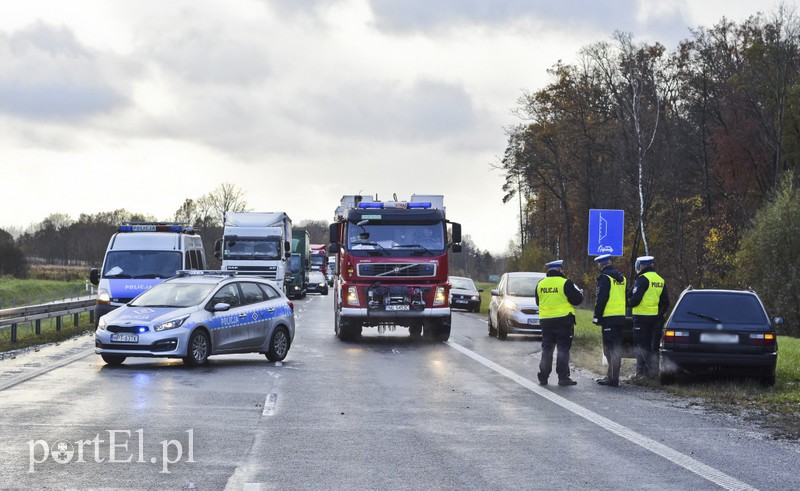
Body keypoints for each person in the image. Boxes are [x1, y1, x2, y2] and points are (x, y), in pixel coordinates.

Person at [534, 259, 584, 386]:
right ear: (560, 269)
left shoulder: (540, 284)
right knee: (563, 350)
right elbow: (577, 300)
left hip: (546, 323)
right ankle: (563, 378)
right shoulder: (565, 283)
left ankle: (543, 377)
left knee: (547, 349)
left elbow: (538, 302)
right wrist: (580, 293)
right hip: (564, 322)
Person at [628, 255, 670, 380]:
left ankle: (641, 373)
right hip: (656, 320)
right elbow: (665, 302)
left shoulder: (642, 279)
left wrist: (626, 303)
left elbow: (635, 300)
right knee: (654, 347)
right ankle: (654, 373)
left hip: (641, 318)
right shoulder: (660, 280)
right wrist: (658, 315)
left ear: (641, 266)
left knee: (641, 346)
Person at [592, 254, 626, 387]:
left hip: (608, 318)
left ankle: (612, 378)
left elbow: (601, 299)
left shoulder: (604, 278)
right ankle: (613, 377)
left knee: (609, 349)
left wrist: (597, 316)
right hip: (620, 317)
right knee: (616, 347)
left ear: (601, 265)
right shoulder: (622, 278)